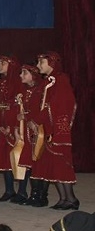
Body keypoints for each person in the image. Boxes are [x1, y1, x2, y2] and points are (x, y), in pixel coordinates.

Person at [30, 52, 78, 210]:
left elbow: (57, 104)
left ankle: (71, 198)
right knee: (53, 164)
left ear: (51, 63)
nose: (38, 66)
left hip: (57, 128)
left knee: (61, 163)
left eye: (41, 62)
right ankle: (63, 198)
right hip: (47, 127)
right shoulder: (47, 82)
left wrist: (38, 119)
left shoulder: (61, 80)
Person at [0, 55, 22, 202]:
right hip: (2, 129)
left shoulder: (19, 83)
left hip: (15, 129)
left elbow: (20, 107)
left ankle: (22, 191)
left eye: (3, 63)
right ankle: (9, 190)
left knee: (19, 159)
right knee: (5, 159)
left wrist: (13, 125)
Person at [15, 63, 45, 206]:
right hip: (27, 131)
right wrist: (19, 123)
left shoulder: (40, 91)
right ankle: (30, 193)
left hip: (37, 131)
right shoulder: (25, 91)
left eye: (24, 73)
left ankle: (39, 194)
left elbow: (40, 110)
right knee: (29, 161)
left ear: (33, 75)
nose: (21, 75)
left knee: (38, 160)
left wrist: (28, 118)